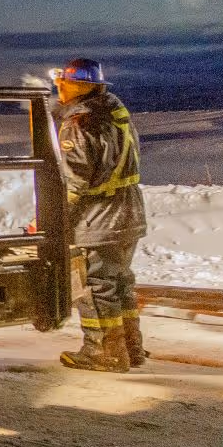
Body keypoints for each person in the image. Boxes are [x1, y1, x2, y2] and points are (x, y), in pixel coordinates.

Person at [54, 58, 147, 372]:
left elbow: (74, 181)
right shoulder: (115, 111)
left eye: (62, 84)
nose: (59, 89)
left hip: (98, 219)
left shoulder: (79, 123)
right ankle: (130, 349)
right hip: (129, 213)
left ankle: (103, 352)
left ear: (78, 85)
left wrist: (54, 220)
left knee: (95, 286)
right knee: (121, 284)